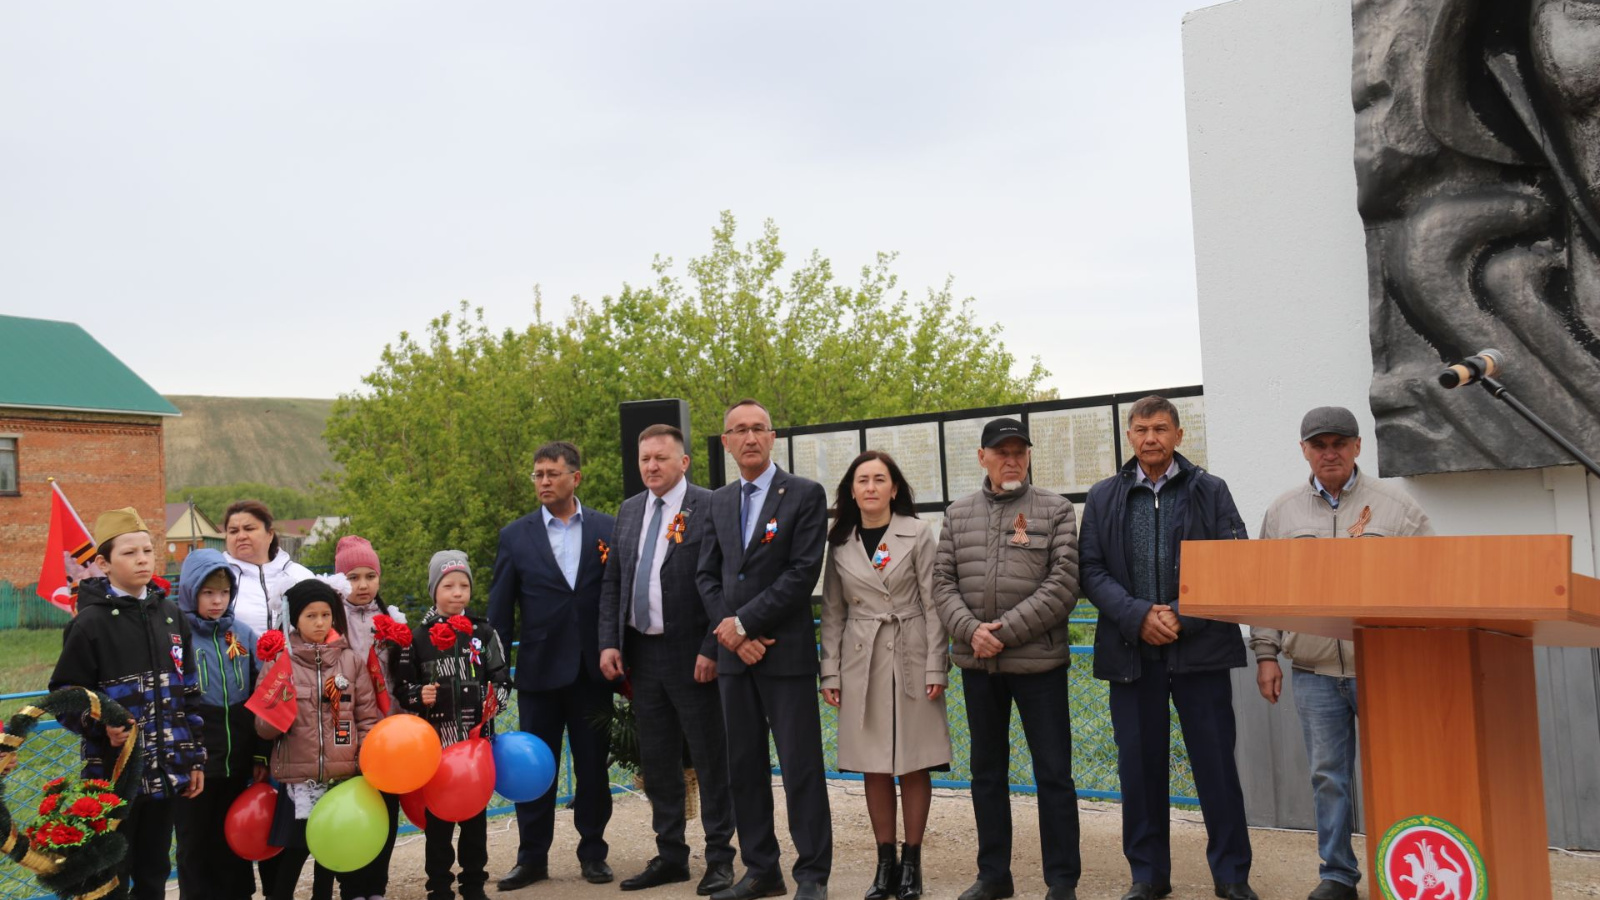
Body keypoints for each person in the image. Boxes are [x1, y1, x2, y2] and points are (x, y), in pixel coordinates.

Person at [1249, 406, 1433, 900]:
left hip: (1385, 668)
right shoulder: (1283, 512)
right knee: (1328, 777)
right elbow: (1266, 589)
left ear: (1357, 447)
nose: (1329, 452)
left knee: (1396, 773)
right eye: (1318, 444)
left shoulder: (1398, 508)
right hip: (1312, 670)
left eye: (1339, 443)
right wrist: (1266, 653)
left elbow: (1431, 582)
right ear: (1304, 451)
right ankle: (1337, 876)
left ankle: (1403, 872)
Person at [1080, 396, 1257, 900]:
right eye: (1141, 429)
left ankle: (1231, 876)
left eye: (1161, 428)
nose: (1151, 438)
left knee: (1216, 767)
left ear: (1179, 435)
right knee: (1139, 768)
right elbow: (1089, 570)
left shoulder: (1210, 491)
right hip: (1131, 653)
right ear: (1129, 436)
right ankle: (1148, 875)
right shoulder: (1103, 497)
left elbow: (1234, 564)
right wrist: (1138, 616)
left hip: (1200, 651)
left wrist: (1182, 615)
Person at [933, 417, 1081, 900]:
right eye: (1001, 452)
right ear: (983, 458)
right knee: (987, 773)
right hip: (979, 667)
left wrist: (1003, 632)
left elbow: (1063, 585)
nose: (1011, 459)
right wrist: (972, 631)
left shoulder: (1055, 510)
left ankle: (1061, 881)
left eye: (1019, 451)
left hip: (1038, 666)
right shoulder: (957, 515)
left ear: (1030, 455)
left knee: (1054, 774)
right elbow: (942, 584)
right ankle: (994, 875)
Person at [696, 398, 832, 900]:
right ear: (726, 441)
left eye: (758, 429)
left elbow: (802, 573)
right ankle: (760, 871)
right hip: (734, 659)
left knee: (801, 769)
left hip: (786, 654)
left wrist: (746, 623)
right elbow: (706, 575)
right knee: (744, 768)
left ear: (773, 437)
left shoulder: (803, 494)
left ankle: (812, 875)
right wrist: (730, 633)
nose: (749, 438)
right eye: (739, 431)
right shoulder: (716, 502)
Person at [597, 424, 737, 895]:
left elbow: (725, 582)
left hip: (695, 653)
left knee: (710, 759)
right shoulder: (629, 509)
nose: (651, 467)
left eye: (661, 458)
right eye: (645, 460)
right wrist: (609, 642)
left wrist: (712, 646)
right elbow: (614, 581)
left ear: (684, 462)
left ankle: (720, 858)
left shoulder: (711, 505)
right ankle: (671, 855)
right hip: (643, 654)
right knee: (657, 763)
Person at [49, 507, 207, 900]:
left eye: (147, 551)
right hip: (113, 777)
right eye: (129, 553)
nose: (142, 560)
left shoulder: (171, 617)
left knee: (155, 869)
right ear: (103, 563)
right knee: (110, 874)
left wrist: (194, 758)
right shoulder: (89, 624)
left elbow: (188, 692)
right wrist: (100, 726)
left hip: (166, 771)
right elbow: (65, 696)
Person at [488, 440, 618, 890]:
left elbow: (615, 598)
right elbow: (500, 611)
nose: (543, 481)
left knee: (592, 768)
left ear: (575, 478)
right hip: (539, 675)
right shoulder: (515, 535)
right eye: (537, 474)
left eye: (551, 474)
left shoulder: (608, 528)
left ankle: (593, 853)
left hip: (592, 672)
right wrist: (496, 669)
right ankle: (531, 858)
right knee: (533, 767)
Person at [819, 451, 949, 900]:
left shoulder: (918, 533)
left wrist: (937, 664)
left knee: (914, 761)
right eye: (862, 480)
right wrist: (829, 672)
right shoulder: (838, 543)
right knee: (873, 766)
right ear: (851, 491)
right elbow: (832, 613)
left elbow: (935, 604)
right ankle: (884, 863)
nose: (871, 487)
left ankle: (912, 864)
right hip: (861, 659)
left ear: (894, 488)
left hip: (911, 652)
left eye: (880, 479)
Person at [255, 576, 382, 900]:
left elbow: (366, 716)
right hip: (299, 780)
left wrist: (365, 754)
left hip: (341, 776)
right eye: (311, 616)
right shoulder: (279, 663)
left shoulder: (350, 661)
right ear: (295, 618)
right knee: (294, 852)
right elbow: (263, 728)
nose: (319, 622)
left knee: (332, 849)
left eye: (325, 615)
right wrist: (276, 711)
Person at [396, 550, 511, 900]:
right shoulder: (416, 638)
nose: (457, 593)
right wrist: (420, 695)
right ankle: (440, 887)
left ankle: (474, 884)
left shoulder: (484, 632)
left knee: (475, 822)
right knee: (439, 826)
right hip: (437, 750)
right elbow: (403, 688)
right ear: (434, 590)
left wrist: (494, 704)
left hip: (476, 749)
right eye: (449, 585)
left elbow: (502, 678)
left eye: (464, 585)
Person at [315, 534, 407, 900]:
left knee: (386, 810)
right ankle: (351, 888)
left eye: (371, 576)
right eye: (354, 577)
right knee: (352, 808)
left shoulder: (392, 619)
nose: (364, 585)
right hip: (346, 731)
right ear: (340, 581)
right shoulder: (331, 623)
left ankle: (377, 888)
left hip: (390, 731)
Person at [173, 549, 261, 900]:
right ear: (191, 591)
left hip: (237, 762)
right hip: (195, 766)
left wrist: (259, 757)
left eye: (224, 592)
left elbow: (259, 699)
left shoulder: (241, 635)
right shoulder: (178, 636)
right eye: (208, 592)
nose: (217, 601)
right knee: (195, 844)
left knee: (235, 840)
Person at [224, 499, 314, 635]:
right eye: (233, 531)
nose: (241, 536)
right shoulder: (218, 578)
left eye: (249, 529)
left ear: (270, 534)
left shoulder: (302, 577)